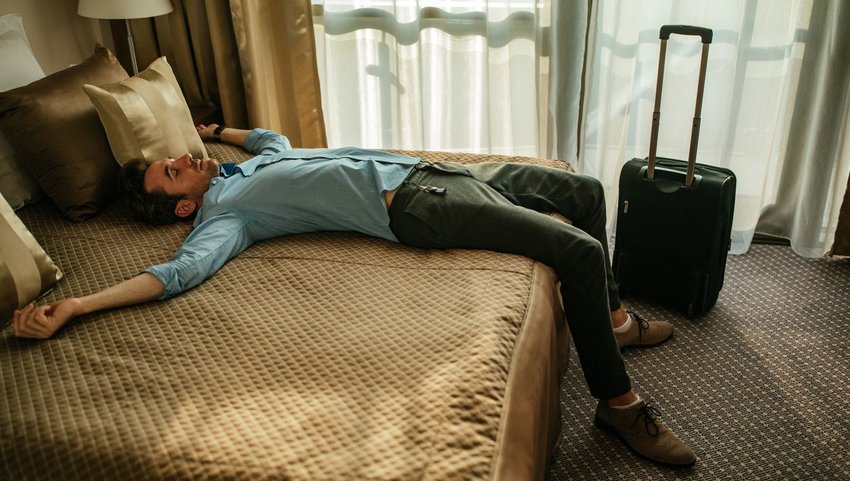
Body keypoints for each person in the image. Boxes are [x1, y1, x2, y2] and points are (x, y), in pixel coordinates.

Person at [12, 124, 696, 467]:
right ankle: (618, 404)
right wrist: (77, 304)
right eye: (173, 170)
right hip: (416, 205)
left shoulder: (254, 161)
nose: (185, 157)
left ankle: (610, 317)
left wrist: (215, 129)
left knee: (586, 192)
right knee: (574, 247)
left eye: (180, 153)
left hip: (432, 169)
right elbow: (177, 275)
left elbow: (271, 137)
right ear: (183, 209)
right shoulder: (228, 216)